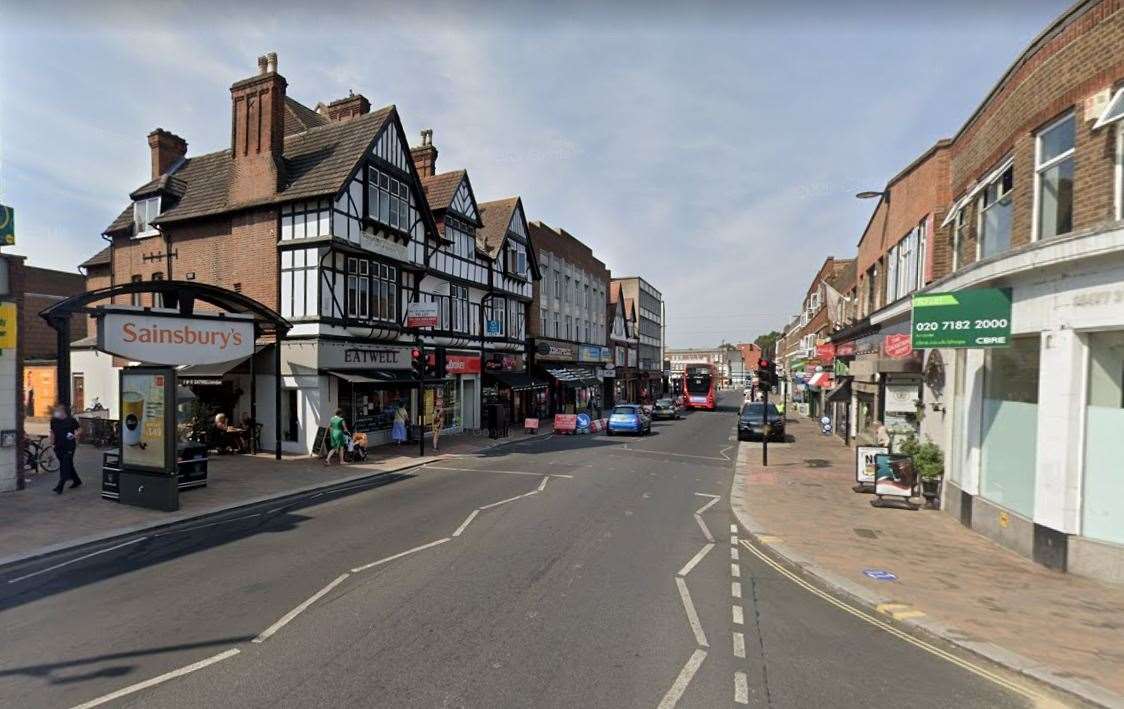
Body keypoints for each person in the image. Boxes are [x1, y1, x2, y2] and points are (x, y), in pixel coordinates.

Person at [49, 403, 81, 494]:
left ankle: (60, 485)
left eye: (57, 411)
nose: (56, 413)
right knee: (68, 465)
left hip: (69, 446)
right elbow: (52, 432)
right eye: (55, 412)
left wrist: (75, 435)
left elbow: (79, 429)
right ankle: (76, 480)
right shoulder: (53, 420)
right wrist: (52, 444)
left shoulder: (71, 420)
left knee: (64, 465)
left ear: (63, 412)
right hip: (58, 446)